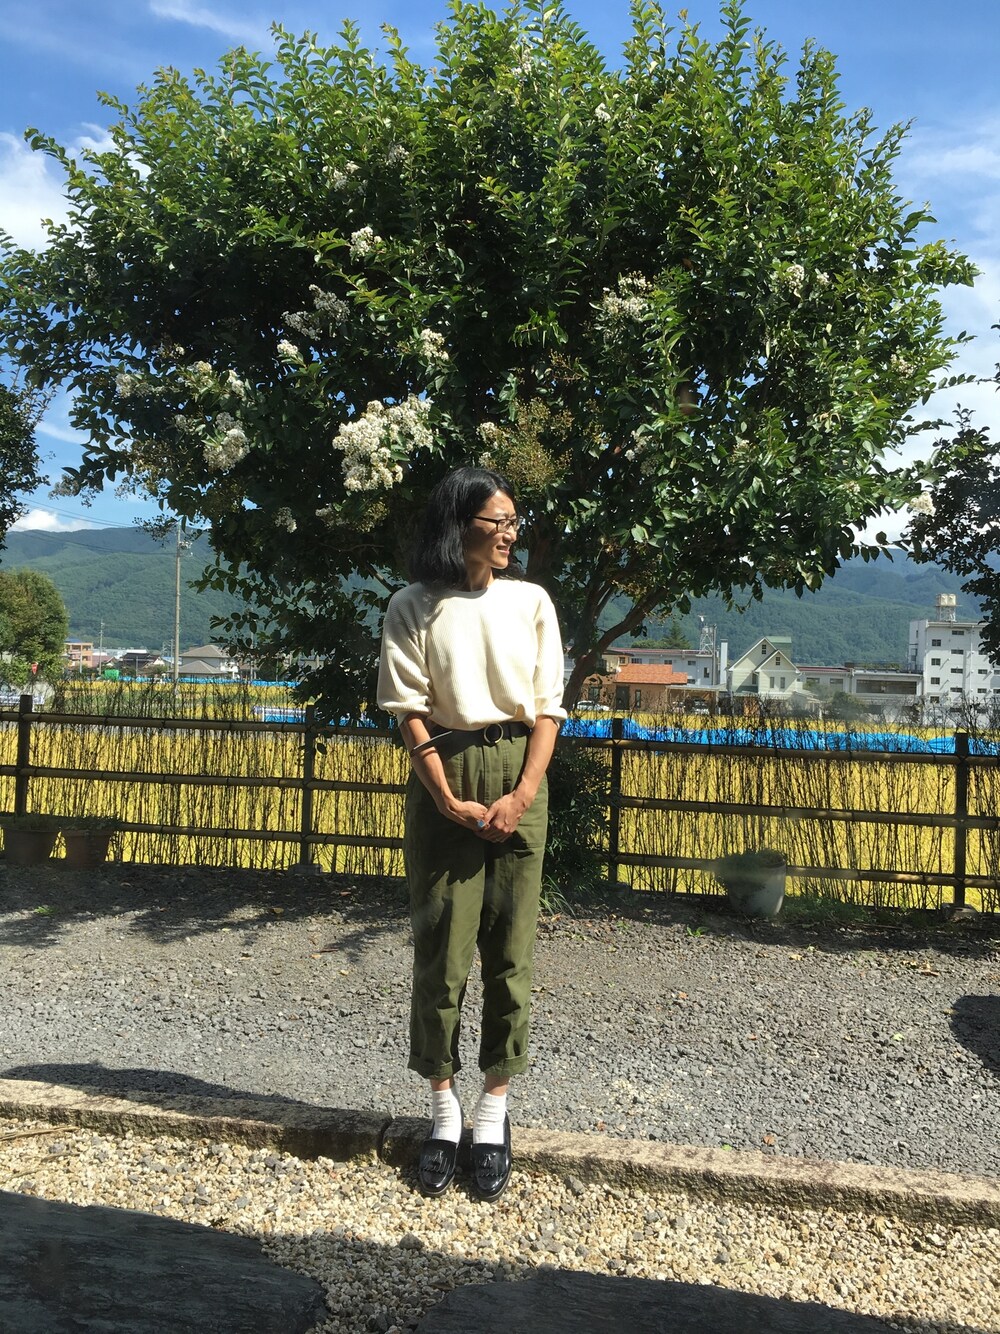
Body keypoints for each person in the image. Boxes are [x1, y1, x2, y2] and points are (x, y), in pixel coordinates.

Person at [377, 465, 566, 1201]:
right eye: (499, 522)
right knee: (441, 951)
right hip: (444, 771)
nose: (511, 534)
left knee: (511, 952)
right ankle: (443, 1111)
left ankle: (493, 1110)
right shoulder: (413, 606)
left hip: (520, 768)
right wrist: (447, 797)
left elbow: (547, 708)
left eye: (514, 522)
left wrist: (523, 793)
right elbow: (409, 710)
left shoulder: (532, 601)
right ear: (461, 526)